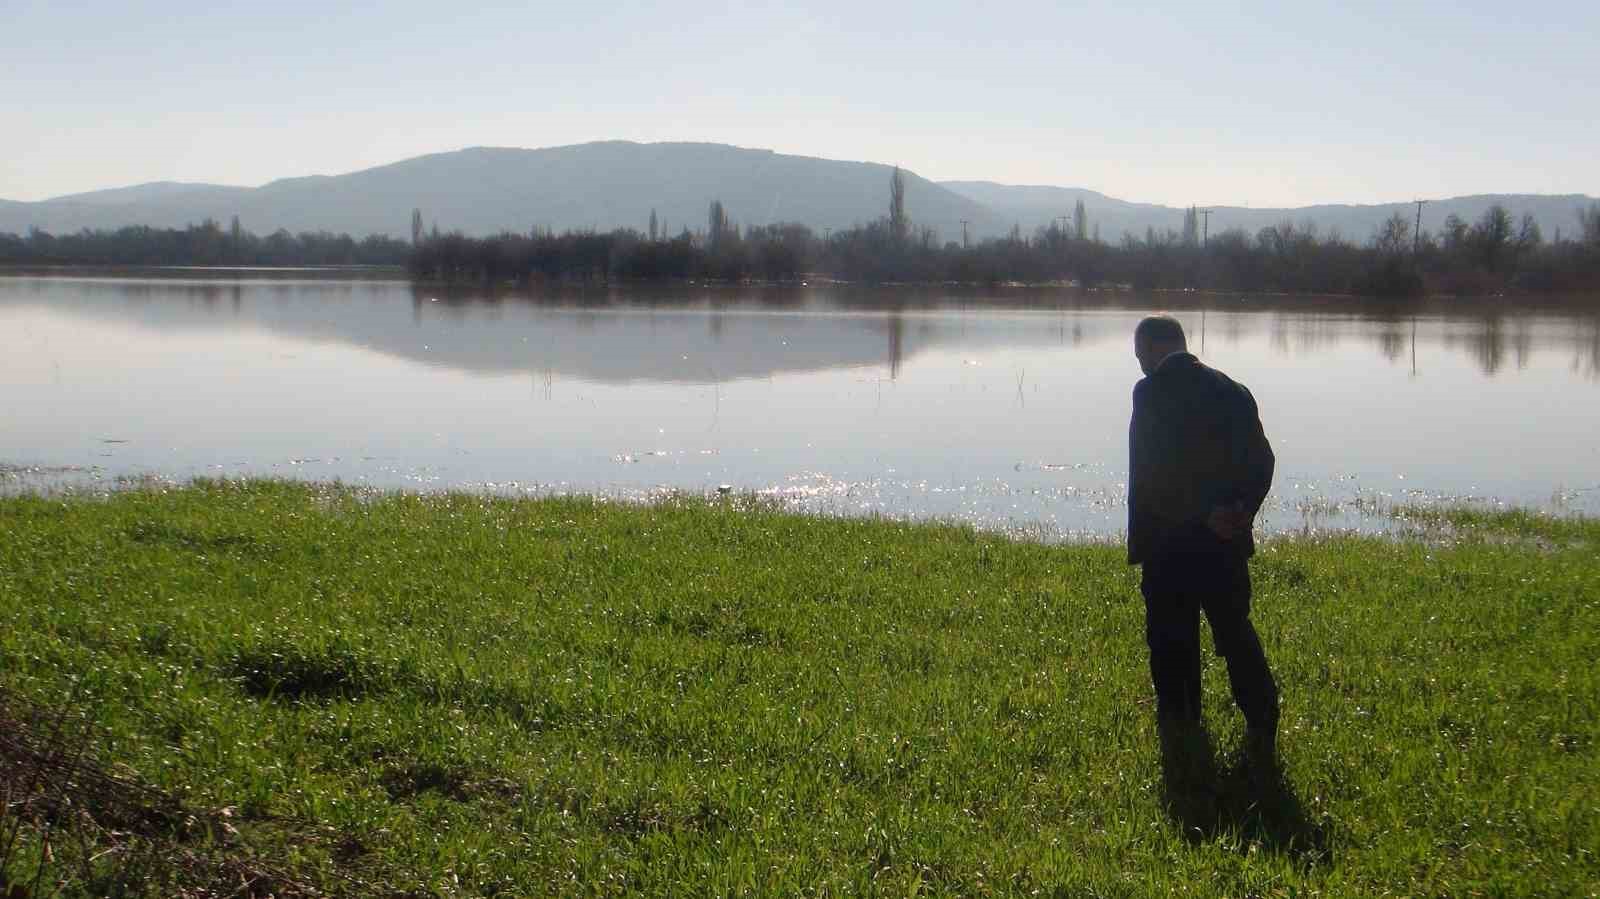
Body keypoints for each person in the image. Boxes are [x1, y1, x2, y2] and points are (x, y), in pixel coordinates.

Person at [1127, 314, 1279, 765]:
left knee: (1172, 637)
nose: (1139, 367)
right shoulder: (1233, 390)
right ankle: (1262, 717)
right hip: (1225, 545)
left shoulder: (1150, 392)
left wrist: (1202, 514)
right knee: (1234, 632)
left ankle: (1182, 723)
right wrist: (1238, 511)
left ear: (1154, 349)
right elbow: (1262, 462)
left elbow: (1156, 473)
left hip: (1169, 546)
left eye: (1139, 357)